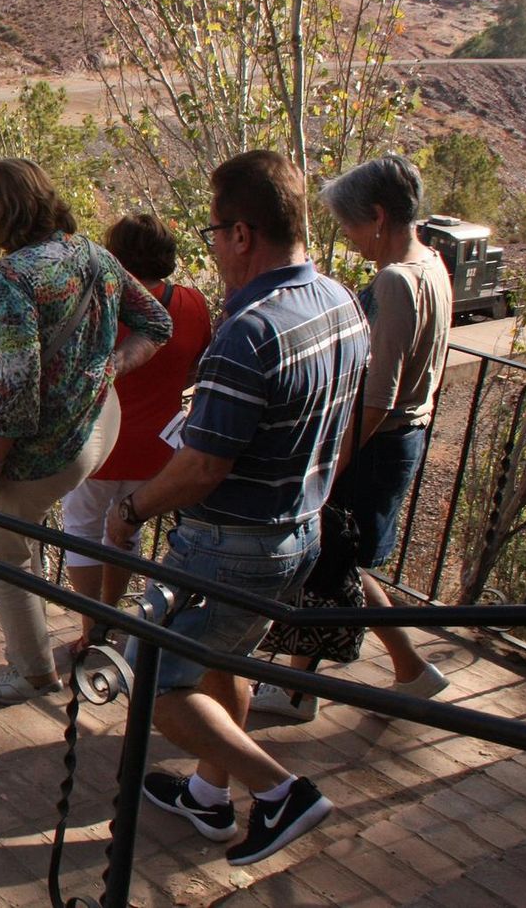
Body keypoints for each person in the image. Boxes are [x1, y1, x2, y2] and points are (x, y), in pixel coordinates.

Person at [105, 149, 368, 866]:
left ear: (244, 235)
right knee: (226, 665)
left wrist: (132, 507)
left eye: (215, 230)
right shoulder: (342, 302)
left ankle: (280, 790)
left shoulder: (248, 335)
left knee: (150, 677)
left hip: (230, 542)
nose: (213, 245)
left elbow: (200, 466)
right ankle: (208, 795)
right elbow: (342, 435)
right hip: (299, 529)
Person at [0, 158, 172, 707]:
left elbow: (16, 378)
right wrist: (109, 368)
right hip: (99, 428)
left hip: (45, 448)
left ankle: (33, 673)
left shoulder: (16, 276)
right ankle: (58, 648)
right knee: (26, 534)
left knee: (0, 547)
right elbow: (157, 322)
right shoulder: (95, 255)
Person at [253, 154, 453, 721]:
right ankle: (408, 670)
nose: (347, 235)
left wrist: (333, 463)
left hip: (375, 443)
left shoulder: (394, 281)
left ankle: (298, 691)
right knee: (347, 560)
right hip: (400, 438)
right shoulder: (432, 265)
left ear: (380, 217)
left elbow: (379, 394)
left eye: (351, 222)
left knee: (330, 557)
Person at [59, 213, 213, 652]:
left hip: (98, 444)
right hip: (160, 450)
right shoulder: (191, 305)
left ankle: (93, 628)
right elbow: (196, 364)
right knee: (126, 528)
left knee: (82, 531)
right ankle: (113, 614)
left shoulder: (97, 306)